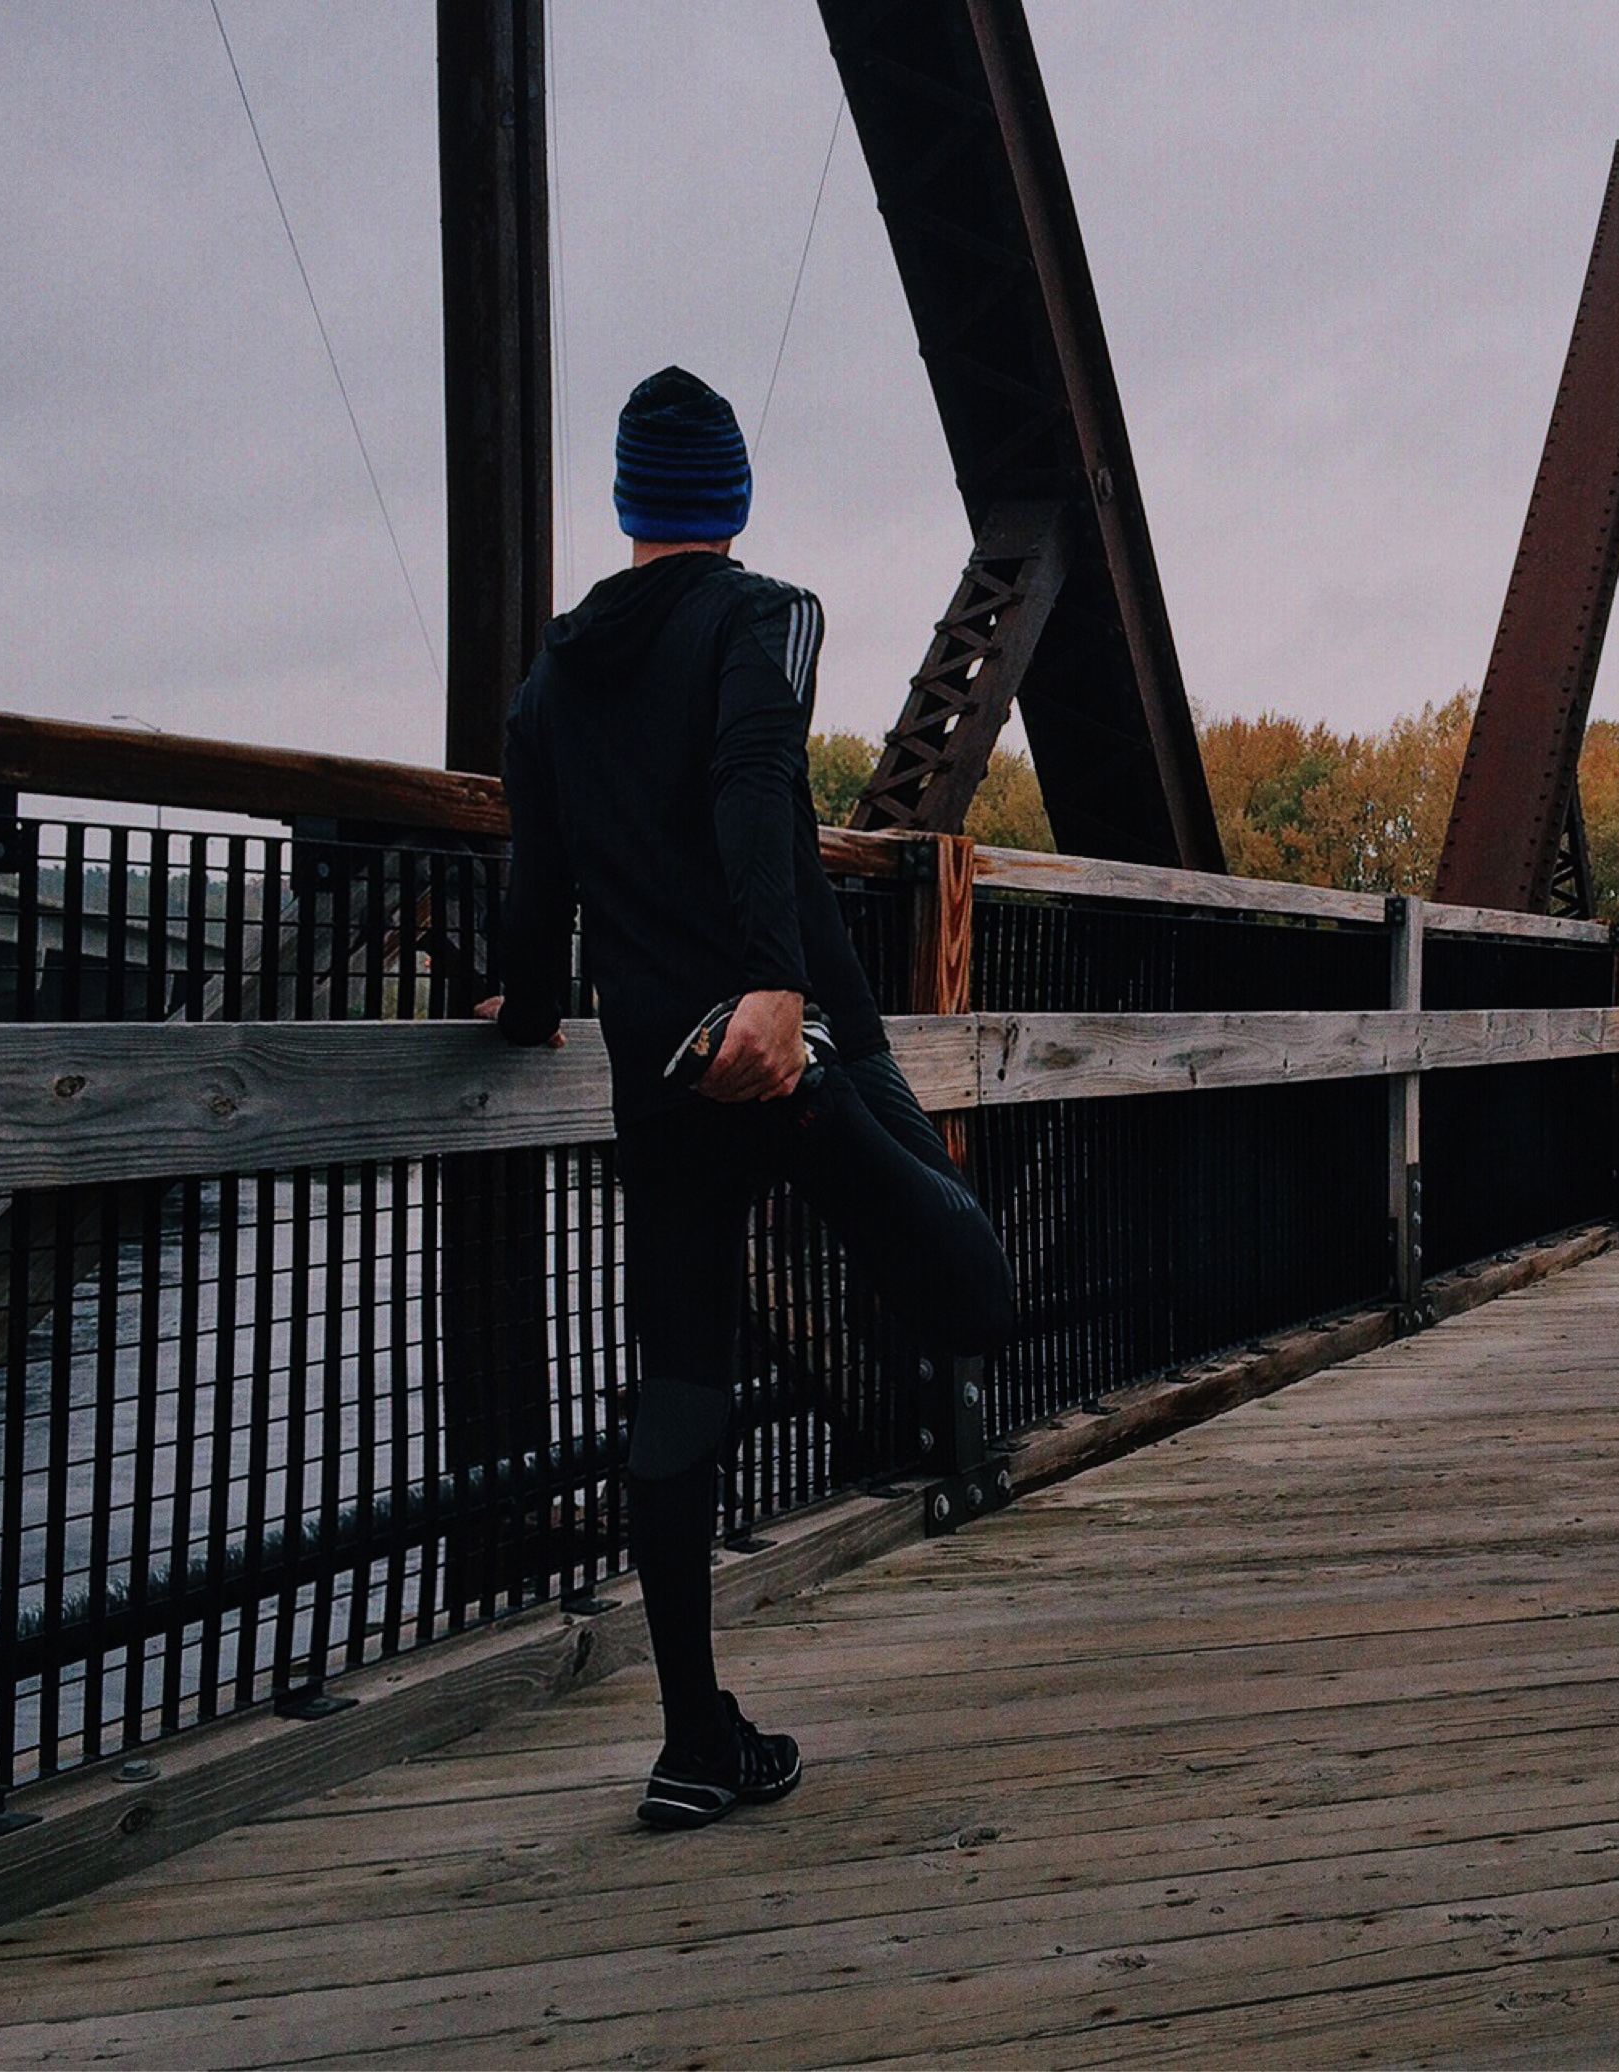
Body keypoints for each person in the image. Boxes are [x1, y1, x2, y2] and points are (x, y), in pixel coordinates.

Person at [478, 366, 1015, 1830]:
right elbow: (750, 778)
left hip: (659, 1073)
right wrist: (780, 997)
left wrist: (519, 1010)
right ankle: (815, 1105)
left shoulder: (547, 684)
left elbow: (537, 892)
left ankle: (694, 1742)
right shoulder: (766, 615)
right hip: (788, 1042)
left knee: (681, 1387)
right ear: (733, 496)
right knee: (972, 1295)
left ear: (625, 502)